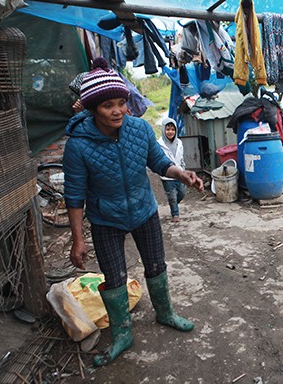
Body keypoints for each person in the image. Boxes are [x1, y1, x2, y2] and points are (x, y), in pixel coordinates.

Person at [62, 57, 204, 367]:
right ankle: (122, 334)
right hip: (105, 218)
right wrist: (77, 239)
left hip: (143, 210)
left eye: (121, 103)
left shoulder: (139, 129)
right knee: (114, 278)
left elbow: (159, 162)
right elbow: (74, 196)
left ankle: (165, 313)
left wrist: (183, 175)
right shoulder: (77, 146)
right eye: (107, 106)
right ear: (92, 109)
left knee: (156, 264)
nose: (117, 111)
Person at [158, 117, 186, 222]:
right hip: (167, 176)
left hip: (179, 173)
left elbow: (181, 158)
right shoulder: (159, 144)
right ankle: (175, 214)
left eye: (173, 129)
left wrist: (183, 169)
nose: (170, 132)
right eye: (168, 129)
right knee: (172, 196)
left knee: (182, 193)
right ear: (163, 130)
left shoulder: (179, 143)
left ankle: (173, 204)